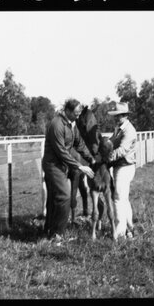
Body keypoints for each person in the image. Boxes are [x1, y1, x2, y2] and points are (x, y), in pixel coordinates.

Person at [41, 99, 95, 244]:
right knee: (65, 196)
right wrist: (79, 166)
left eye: (79, 114)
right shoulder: (56, 125)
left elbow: (79, 144)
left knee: (54, 198)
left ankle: (49, 230)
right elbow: (61, 152)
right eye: (76, 113)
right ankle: (57, 235)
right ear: (68, 111)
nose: (78, 116)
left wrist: (92, 159)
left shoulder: (72, 124)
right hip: (53, 166)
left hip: (62, 166)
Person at [108, 102, 138, 239]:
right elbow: (111, 142)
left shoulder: (129, 131)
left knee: (118, 198)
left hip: (124, 167)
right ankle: (130, 227)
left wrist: (106, 158)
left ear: (125, 116)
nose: (116, 118)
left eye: (118, 116)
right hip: (118, 166)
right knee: (123, 198)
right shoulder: (118, 128)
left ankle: (120, 233)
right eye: (115, 116)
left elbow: (121, 150)